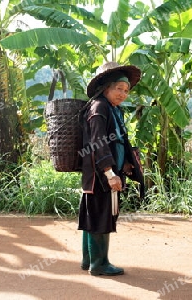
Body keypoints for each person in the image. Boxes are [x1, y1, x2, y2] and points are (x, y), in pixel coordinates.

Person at [78, 61, 143, 276]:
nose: (123, 94)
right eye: (119, 89)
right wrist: (109, 173)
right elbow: (98, 143)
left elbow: (117, 142)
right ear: (106, 87)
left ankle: (89, 261)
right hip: (100, 176)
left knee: (93, 216)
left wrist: (125, 164)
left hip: (103, 175)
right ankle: (99, 264)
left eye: (126, 90)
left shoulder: (114, 110)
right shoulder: (99, 108)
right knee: (101, 217)